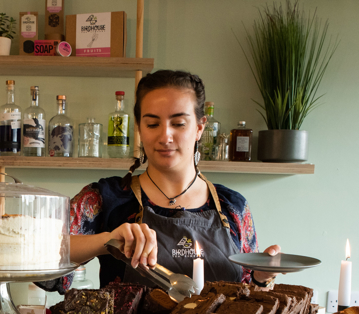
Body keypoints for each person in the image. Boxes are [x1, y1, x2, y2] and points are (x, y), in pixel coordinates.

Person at [41, 70, 280, 294]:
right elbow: (39, 259)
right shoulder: (106, 198)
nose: (165, 136)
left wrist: (261, 276)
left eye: (178, 123)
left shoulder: (234, 207)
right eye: (153, 124)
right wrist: (108, 240)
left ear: (199, 127)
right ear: (139, 128)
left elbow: (247, 293)